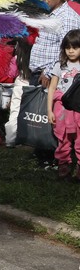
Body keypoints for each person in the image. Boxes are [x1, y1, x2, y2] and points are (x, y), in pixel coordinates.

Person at [29, 0, 80, 87]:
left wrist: (48, 72)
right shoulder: (46, 13)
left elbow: (68, 50)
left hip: (51, 78)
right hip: (37, 75)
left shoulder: (67, 18)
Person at [46, 29, 80, 178]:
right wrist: (49, 110)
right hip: (61, 110)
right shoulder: (60, 65)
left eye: (75, 47)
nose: (71, 51)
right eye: (67, 47)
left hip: (78, 109)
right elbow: (52, 88)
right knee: (63, 139)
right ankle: (63, 164)